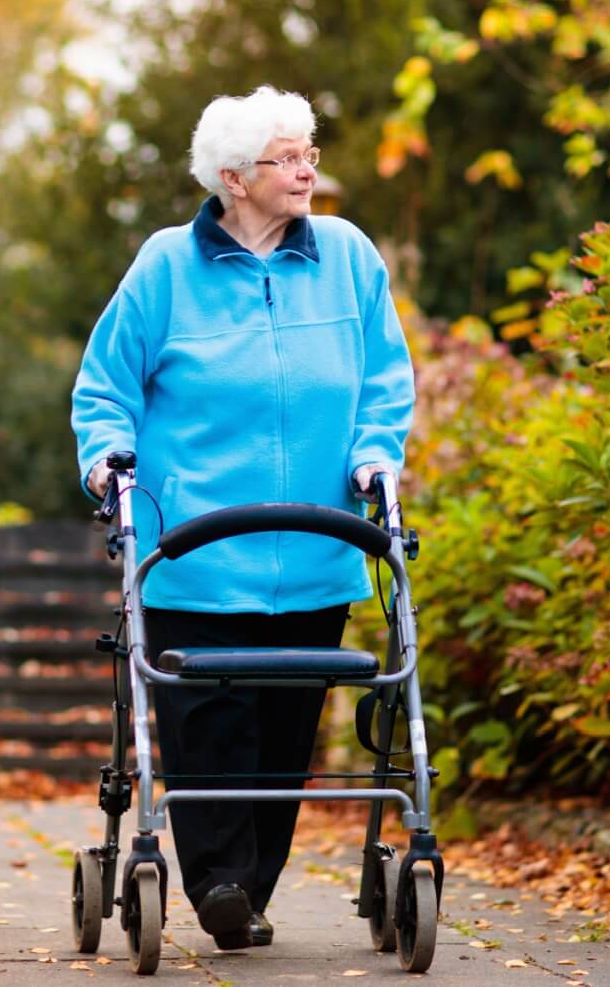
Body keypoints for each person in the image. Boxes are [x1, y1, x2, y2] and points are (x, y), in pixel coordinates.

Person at [70, 86, 415, 951]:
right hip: (193, 551)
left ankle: (247, 887)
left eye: (310, 153)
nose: (306, 170)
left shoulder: (347, 257)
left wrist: (377, 452)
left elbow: (384, 377)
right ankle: (219, 883)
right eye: (286, 157)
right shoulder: (164, 267)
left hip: (315, 544)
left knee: (284, 729)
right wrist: (108, 460)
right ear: (232, 177)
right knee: (208, 722)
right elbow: (105, 386)